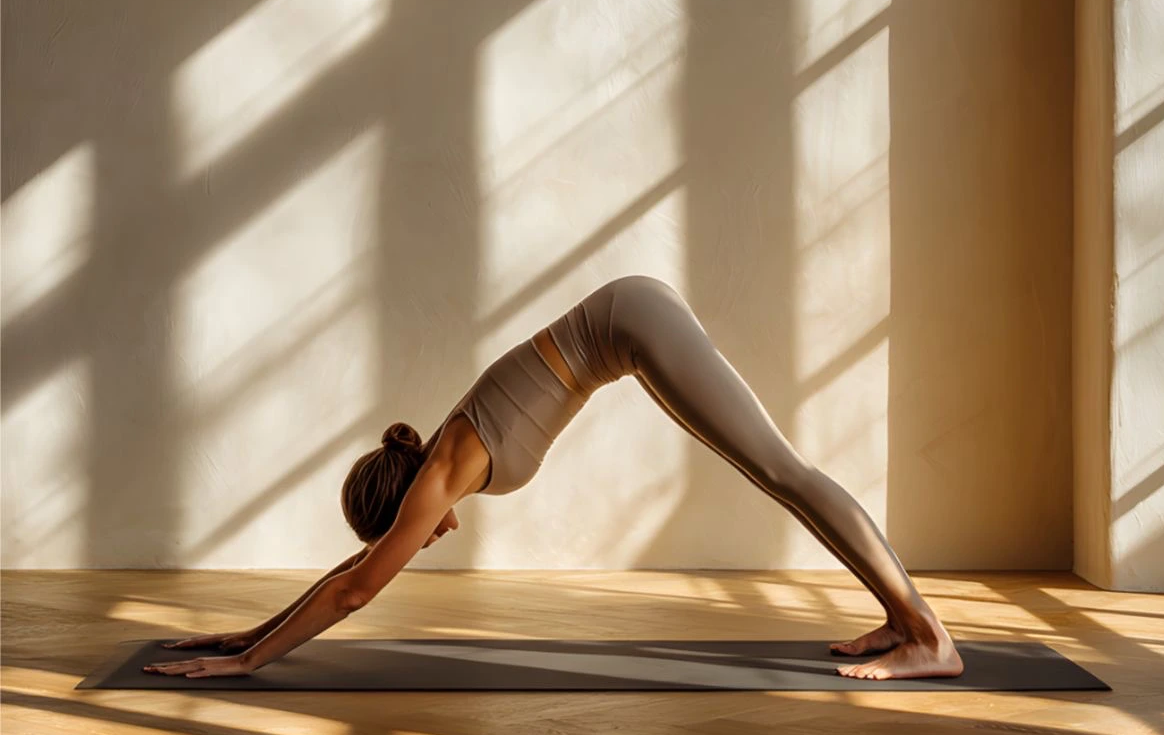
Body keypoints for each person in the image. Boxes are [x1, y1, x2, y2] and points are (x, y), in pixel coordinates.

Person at [145, 273, 962, 683]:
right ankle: (901, 619)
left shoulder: (440, 472)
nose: (419, 543)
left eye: (403, 532)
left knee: (781, 468)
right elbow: (355, 573)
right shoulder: (437, 464)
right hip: (630, 326)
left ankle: (927, 636)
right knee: (776, 470)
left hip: (633, 323)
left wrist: (249, 665)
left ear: (402, 506)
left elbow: (358, 590)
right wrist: (249, 632)